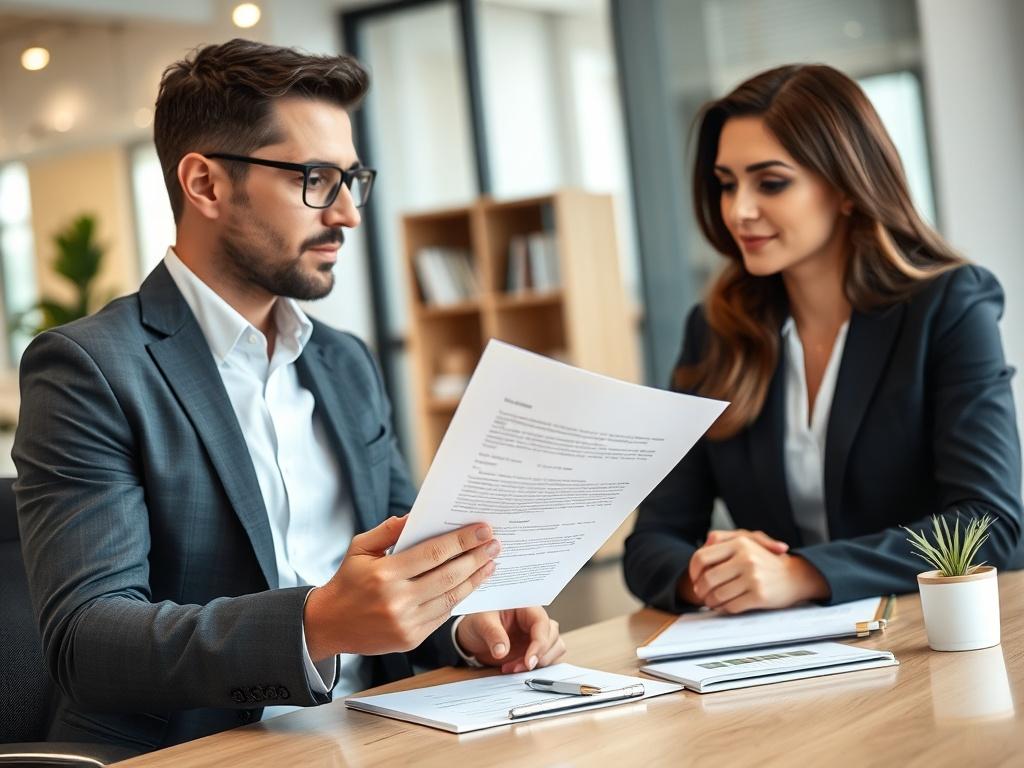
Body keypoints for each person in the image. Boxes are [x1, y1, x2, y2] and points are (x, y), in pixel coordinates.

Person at [13, 39, 564, 754]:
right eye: (315, 178)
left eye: (352, 179)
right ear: (205, 185)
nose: (346, 215)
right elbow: (88, 640)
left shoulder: (344, 361)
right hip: (199, 750)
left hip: (381, 727)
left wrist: (461, 618)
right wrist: (316, 625)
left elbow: (408, 544)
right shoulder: (90, 368)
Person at [623, 64, 1022, 616]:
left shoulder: (950, 306)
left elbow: (991, 523)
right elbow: (652, 543)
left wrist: (803, 573)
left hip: (929, 635)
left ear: (848, 190)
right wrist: (710, 576)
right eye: (726, 183)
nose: (739, 210)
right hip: (781, 659)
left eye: (771, 182)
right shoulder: (714, 331)